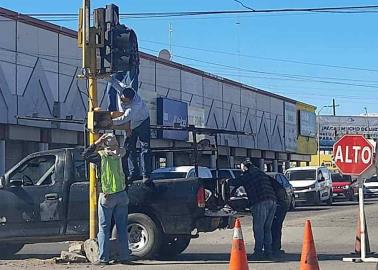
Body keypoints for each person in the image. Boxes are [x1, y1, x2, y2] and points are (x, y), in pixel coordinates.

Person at [82, 133, 131, 265]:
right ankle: (125, 256)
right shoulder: (122, 155)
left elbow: (85, 155)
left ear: (104, 145)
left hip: (107, 195)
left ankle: (104, 258)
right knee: (121, 228)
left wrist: (97, 142)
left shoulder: (101, 156)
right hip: (122, 194)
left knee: (104, 227)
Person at [105, 76, 152, 184]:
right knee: (129, 148)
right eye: (121, 98)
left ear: (130, 100)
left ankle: (146, 175)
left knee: (145, 147)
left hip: (142, 122)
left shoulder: (135, 106)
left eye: (124, 101)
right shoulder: (123, 89)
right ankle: (133, 173)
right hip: (131, 123)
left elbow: (124, 118)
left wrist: (110, 122)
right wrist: (104, 76)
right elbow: (114, 81)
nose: (122, 101)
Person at [234, 159, 277, 260]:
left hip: (261, 201)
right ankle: (268, 252)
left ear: (245, 168)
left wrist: (226, 181)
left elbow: (237, 182)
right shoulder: (260, 173)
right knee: (267, 228)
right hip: (272, 201)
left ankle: (258, 252)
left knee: (258, 228)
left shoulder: (248, 175)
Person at [270, 175, 290, 257]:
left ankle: (275, 248)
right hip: (282, 202)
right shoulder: (270, 180)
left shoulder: (267, 181)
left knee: (275, 226)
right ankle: (275, 247)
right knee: (276, 226)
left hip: (281, 203)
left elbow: (281, 194)